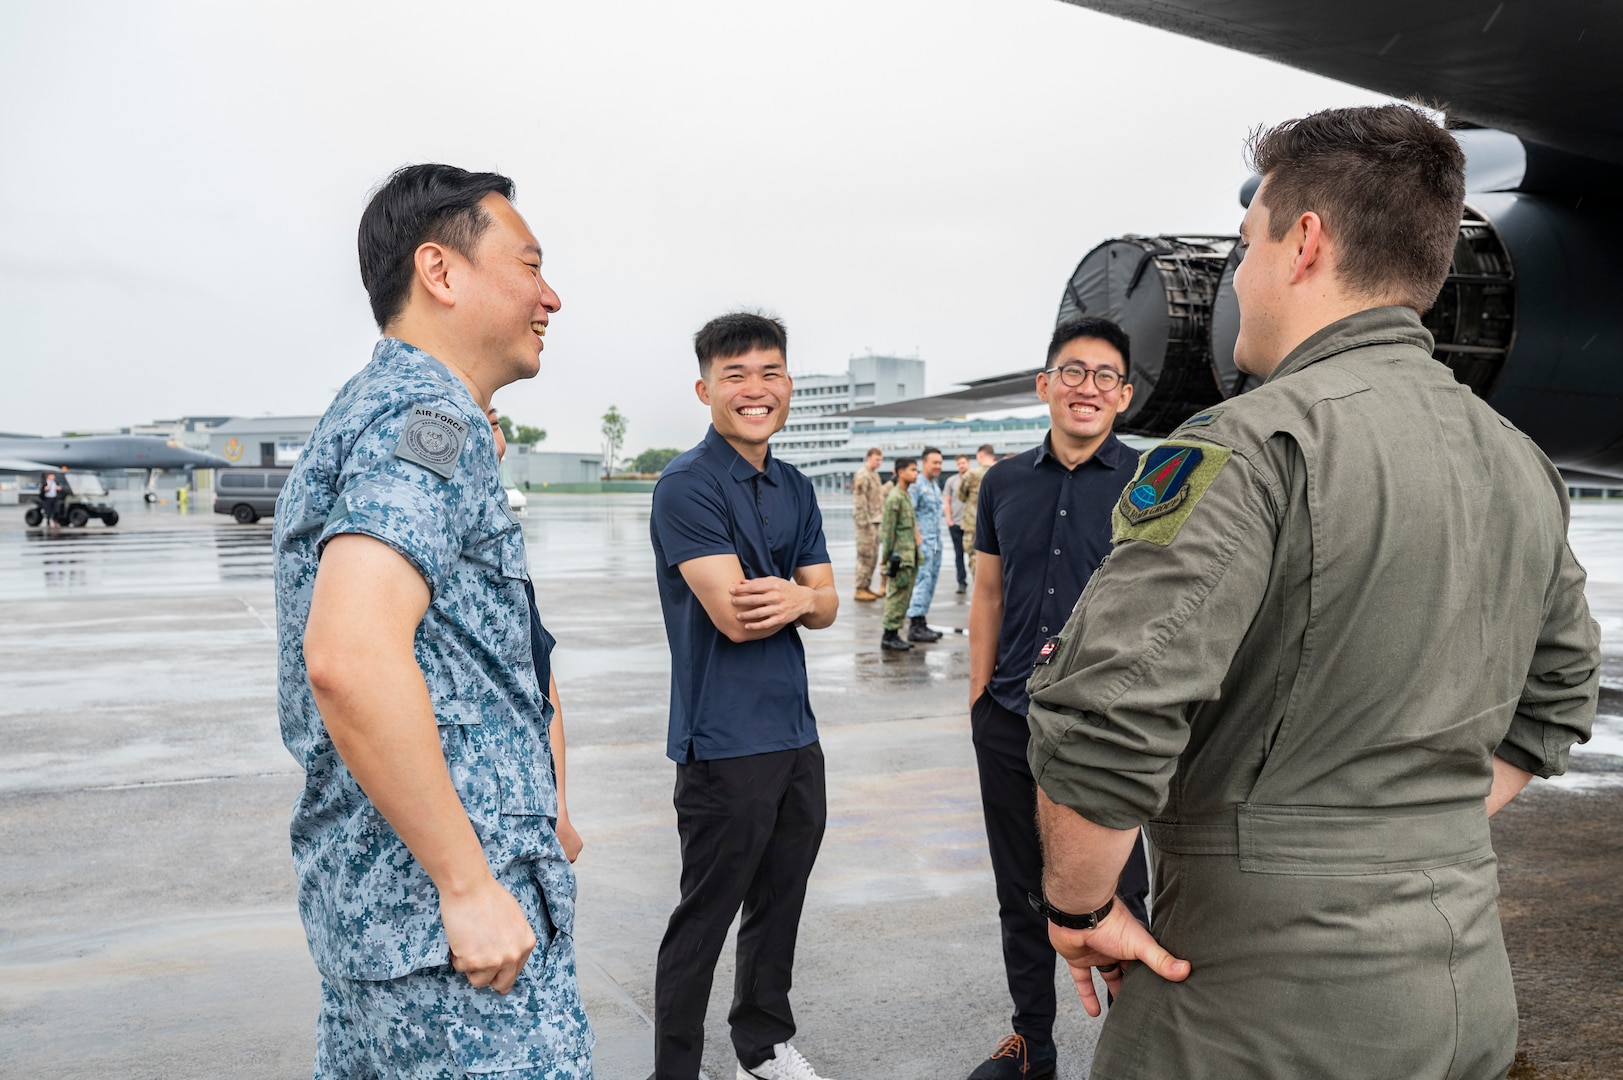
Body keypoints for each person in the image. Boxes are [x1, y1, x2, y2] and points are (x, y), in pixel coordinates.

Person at [1025, 104, 1601, 1080]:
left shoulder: (1250, 447)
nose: (1236, 277)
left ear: (1303, 243)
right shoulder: (1519, 463)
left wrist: (1079, 909)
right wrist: (1409, 838)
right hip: (1462, 1002)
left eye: (1247, 244)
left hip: (1258, 1019)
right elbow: (1555, 702)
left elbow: (1105, 718)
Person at [273, 163, 591, 1078]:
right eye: (529, 264)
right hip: (450, 946)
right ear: (440, 274)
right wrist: (466, 881)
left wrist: (548, 807)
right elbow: (349, 652)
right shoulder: (424, 416)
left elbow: (489, 651)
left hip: (390, 916)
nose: (551, 295)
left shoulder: (383, 411)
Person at [648, 312, 839, 1080]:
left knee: (779, 901)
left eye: (769, 372)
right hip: (723, 743)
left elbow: (824, 605)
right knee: (706, 916)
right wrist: (799, 598)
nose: (754, 389)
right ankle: (675, 1071)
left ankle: (760, 1049)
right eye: (735, 375)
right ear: (705, 389)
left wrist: (795, 599)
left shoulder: (793, 486)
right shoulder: (685, 486)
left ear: (787, 384)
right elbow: (736, 615)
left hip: (794, 735)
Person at [964, 317, 1150, 1080]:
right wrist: (978, 699)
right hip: (1007, 720)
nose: (1087, 388)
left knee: (1118, 892)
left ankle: (1138, 1049)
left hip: (1101, 728)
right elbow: (987, 592)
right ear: (1044, 386)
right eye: (1072, 372)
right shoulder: (1003, 482)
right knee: (1019, 894)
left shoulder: (1148, 483)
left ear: (1124, 396)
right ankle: (1031, 1049)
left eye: (1104, 376)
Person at [487, 404, 583, 863]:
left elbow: (539, 679)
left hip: (529, 815)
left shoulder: (498, 537)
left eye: (494, 421)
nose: (496, 441)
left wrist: (558, 807)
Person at [878, 456, 920, 652]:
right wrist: (886, 559)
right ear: (900, 472)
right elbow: (888, 531)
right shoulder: (894, 497)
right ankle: (889, 635)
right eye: (912, 470)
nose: (916, 473)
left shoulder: (905, 495)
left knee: (904, 597)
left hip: (909, 557)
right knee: (896, 596)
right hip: (899, 558)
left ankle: (895, 633)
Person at [905, 447, 946, 642]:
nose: (938, 466)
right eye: (934, 462)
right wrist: (917, 538)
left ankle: (922, 621)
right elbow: (909, 513)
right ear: (924, 463)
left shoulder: (934, 485)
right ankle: (915, 623)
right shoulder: (917, 485)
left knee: (930, 582)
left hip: (935, 543)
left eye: (940, 462)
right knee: (922, 581)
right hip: (923, 543)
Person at [956, 445, 996, 578]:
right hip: (997, 525)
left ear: (980, 456)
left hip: (973, 526)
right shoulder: (1001, 471)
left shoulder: (971, 474)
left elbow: (961, 496)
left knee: (975, 562)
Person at [852, 447, 886, 602]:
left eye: (881, 459)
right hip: (866, 523)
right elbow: (860, 501)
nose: (879, 462)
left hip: (875, 521)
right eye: (877, 459)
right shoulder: (863, 475)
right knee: (865, 556)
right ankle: (859, 588)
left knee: (872, 556)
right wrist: (864, 523)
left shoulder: (875, 475)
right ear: (868, 458)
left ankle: (866, 586)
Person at [944, 454, 970, 594]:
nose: (961, 466)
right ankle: (961, 581)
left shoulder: (973, 479)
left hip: (972, 524)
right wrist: (949, 520)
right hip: (956, 523)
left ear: (968, 463)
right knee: (958, 554)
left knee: (976, 554)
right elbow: (946, 500)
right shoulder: (951, 481)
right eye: (959, 463)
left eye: (963, 463)